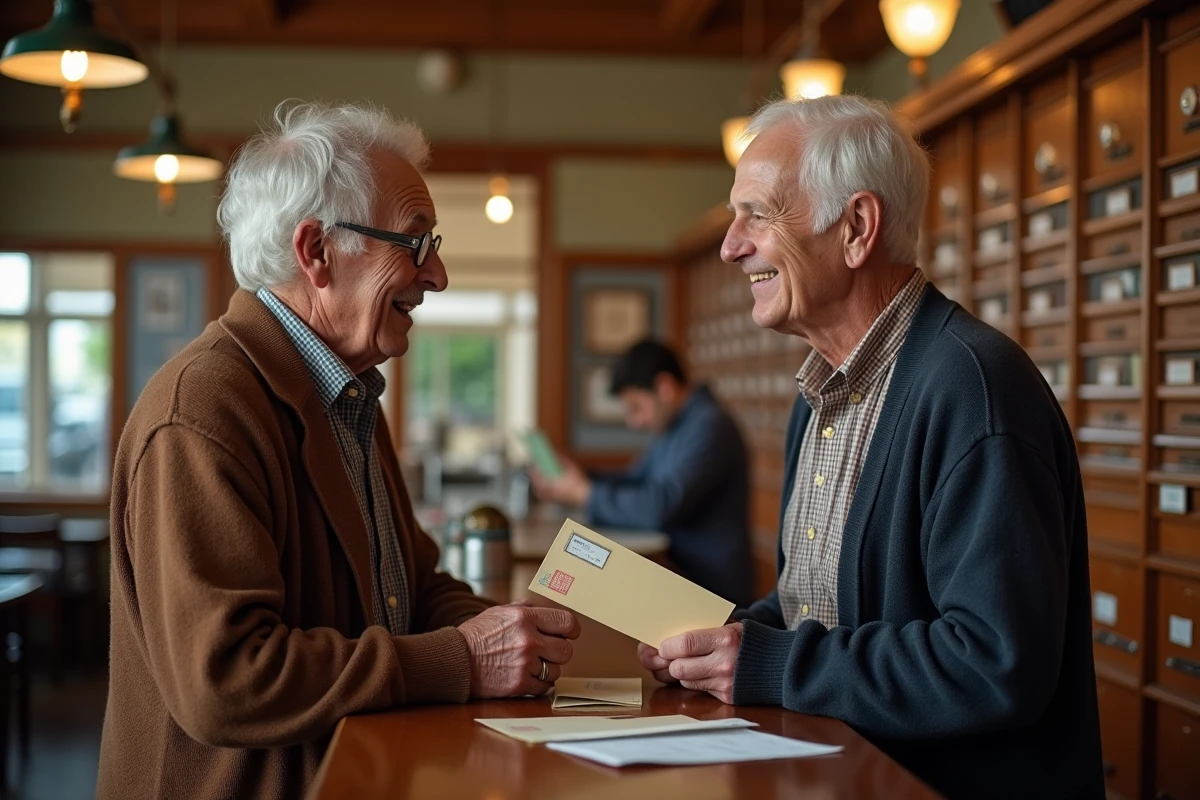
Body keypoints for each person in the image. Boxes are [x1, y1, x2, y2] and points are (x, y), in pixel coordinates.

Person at [98, 101, 580, 800]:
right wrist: (463, 661)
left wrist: (502, 631)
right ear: (316, 251)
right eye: (414, 242)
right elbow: (227, 680)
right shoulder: (202, 409)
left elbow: (408, 591)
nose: (437, 274)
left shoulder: (346, 393)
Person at [637, 95, 1103, 799]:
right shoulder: (822, 392)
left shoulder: (973, 389)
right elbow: (815, 614)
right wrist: (722, 641)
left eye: (756, 214)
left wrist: (770, 664)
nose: (731, 245)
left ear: (855, 228)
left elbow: (993, 665)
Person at [534, 340, 754, 606]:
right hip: (682, 576)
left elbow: (660, 505)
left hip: (712, 592)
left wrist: (583, 492)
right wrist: (575, 479)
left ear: (664, 388)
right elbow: (636, 480)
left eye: (636, 408)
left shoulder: (709, 426)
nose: (633, 422)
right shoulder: (677, 425)